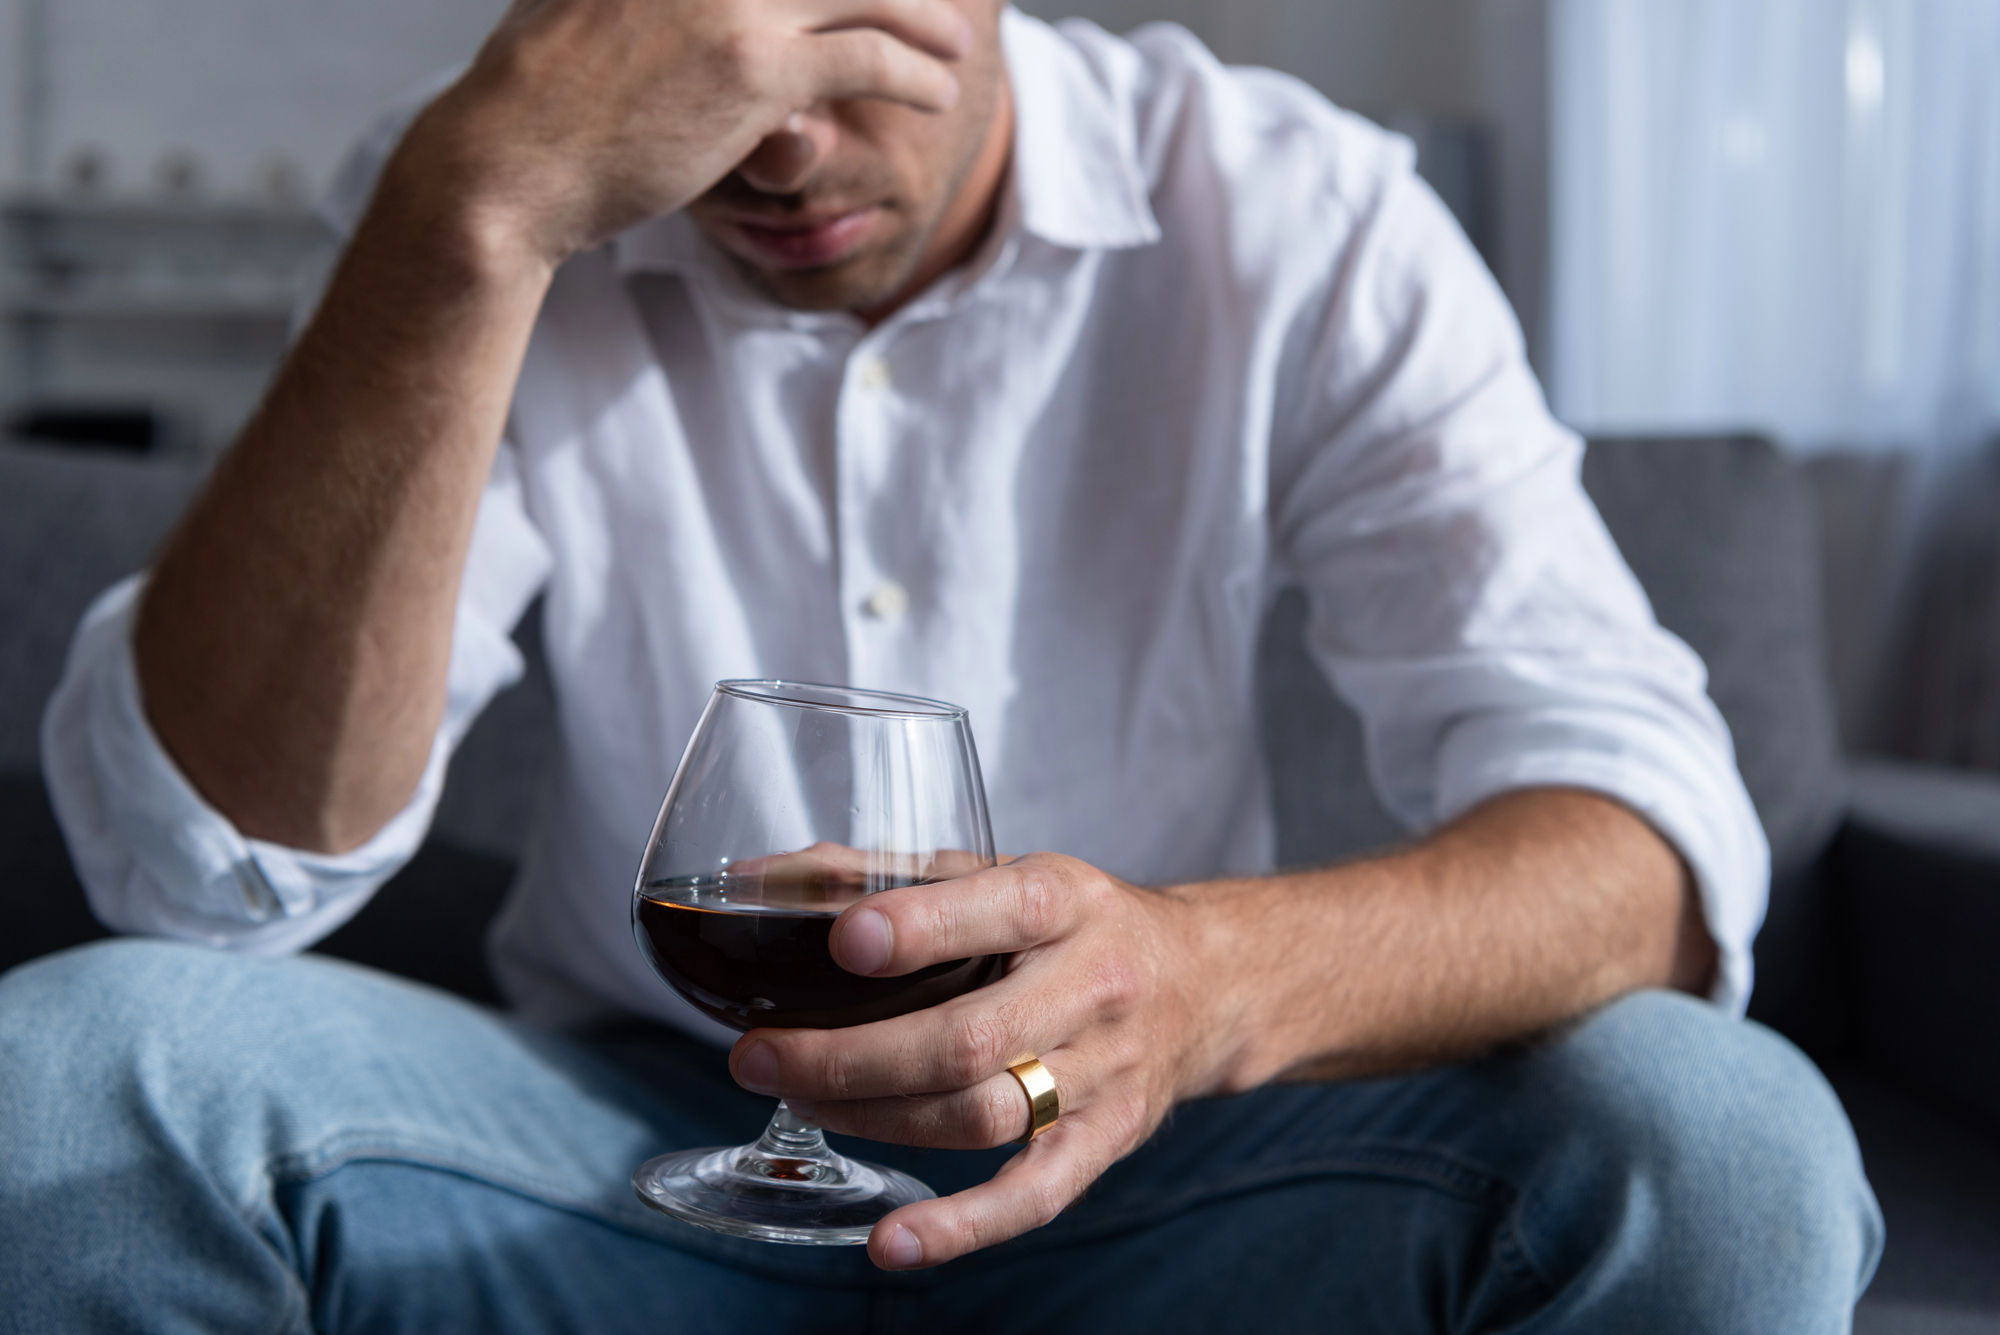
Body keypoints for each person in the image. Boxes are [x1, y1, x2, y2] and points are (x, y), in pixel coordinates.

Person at [4, 0, 1880, 1329]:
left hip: (1162, 1165)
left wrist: (1203, 985)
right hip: (617, 1160)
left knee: (1726, 1144)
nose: (775, 141)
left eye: (855, 35)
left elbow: (1647, 844)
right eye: (697, 42)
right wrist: (470, 221)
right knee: (69, 1082)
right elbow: (198, 879)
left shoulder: (1292, 212)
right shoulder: (494, 203)